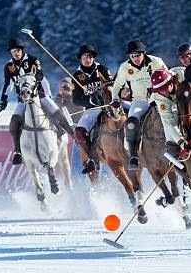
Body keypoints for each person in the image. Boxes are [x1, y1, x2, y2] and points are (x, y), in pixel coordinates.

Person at [0, 38, 74, 165]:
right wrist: (3, 100)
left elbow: (41, 77)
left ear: (22, 50)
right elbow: (8, 84)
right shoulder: (9, 66)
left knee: (55, 111)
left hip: (40, 95)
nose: (16, 53)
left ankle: (74, 136)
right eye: (13, 51)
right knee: (14, 123)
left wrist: (47, 95)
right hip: (23, 99)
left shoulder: (32, 59)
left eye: (17, 50)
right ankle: (18, 151)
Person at [111, 40, 168, 169]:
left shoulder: (156, 62)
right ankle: (133, 155)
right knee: (131, 121)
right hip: (139, 101)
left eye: (137, 55)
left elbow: (167, 78)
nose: (135, 58)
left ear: (143, 53)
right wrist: (115, 100)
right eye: (132, 56)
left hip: (159, 98)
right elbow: (117, 86)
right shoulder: (125, 67)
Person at [71, 44, 112, 174]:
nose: (87, 59)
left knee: (131, 117)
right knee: (79, 132)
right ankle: (92, 159)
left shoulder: (102, 69)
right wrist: (89, 100)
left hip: (108, 105)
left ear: (93, 58)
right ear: (80, 59)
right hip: (92, 109)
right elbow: (75, 99)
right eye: (84, 57)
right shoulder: (77, 76)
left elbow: (111, 85)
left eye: (90, 57)